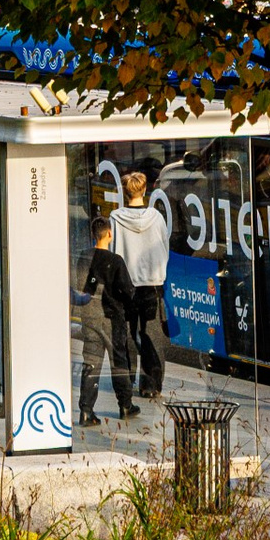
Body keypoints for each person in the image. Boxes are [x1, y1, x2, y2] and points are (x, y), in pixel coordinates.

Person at [76, 212, 139, 425]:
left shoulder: (84, 256)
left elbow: (83, 285)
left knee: (91, 362)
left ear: (93, 234)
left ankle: (86, 411)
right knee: (118, 362)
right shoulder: (115, 261)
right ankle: (125, 405)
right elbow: (128, 291)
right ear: (109, 234)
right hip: (112, 318)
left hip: (90, 316)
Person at [113, 172, 171, 406]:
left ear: (125, 192)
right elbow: (164, 246)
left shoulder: (115, 218)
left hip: (126, 284)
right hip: (152, 283)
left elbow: (114, 250)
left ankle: (127, 380)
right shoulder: (156, 218)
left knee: (127, 335)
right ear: (144, 191)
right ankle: (151, 384)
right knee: (151, 335)